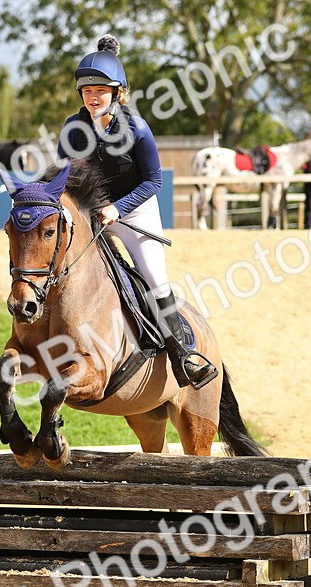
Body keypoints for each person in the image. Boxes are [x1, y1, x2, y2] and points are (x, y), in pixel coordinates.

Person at [57, 35, 217, 389]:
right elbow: (65, 173)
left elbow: (154, 181)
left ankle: (184, 357)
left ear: (118, 93)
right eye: (87, 91)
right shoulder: (73, 127)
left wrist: (118, 208)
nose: (93, 96)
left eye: (101, 90)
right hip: (92, 213)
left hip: (135, 209)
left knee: (155, 280)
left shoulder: (137, 128)